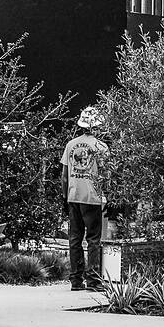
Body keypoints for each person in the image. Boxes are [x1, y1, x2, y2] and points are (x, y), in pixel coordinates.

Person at [61, 105, 109, 291]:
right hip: (92, 198)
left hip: (73, 197)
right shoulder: (102, 147)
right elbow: (107, 175)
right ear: (97, 126)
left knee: (74, 239)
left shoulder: (70, 145)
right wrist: (108, 197)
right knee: (94, 240)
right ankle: (94, 281)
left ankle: (75, 281)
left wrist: (66, 197)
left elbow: (64, 176)